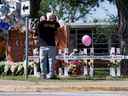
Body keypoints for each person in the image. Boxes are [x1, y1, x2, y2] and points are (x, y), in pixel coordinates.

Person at [37, 14, 60, 79]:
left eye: (53, 17)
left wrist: (57, 41)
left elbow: (57, 30)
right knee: (42, 60)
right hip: (42, 45)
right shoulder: (39, 24)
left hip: (51, 45)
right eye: (41, 18)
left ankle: (51, 75)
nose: (42, 19)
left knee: (51, 61)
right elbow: (38, 28)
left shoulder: (54, 24)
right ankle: (43, 74)